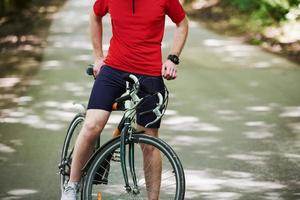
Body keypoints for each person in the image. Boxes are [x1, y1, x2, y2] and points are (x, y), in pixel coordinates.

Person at [61, 0, 188, 199]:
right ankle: (72, 185)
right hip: (113, 68)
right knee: (93, 125)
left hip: (149, 72)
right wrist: (98, 56)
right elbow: (95, 15)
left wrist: (172, 58)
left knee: (149, 142)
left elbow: (182, 23)